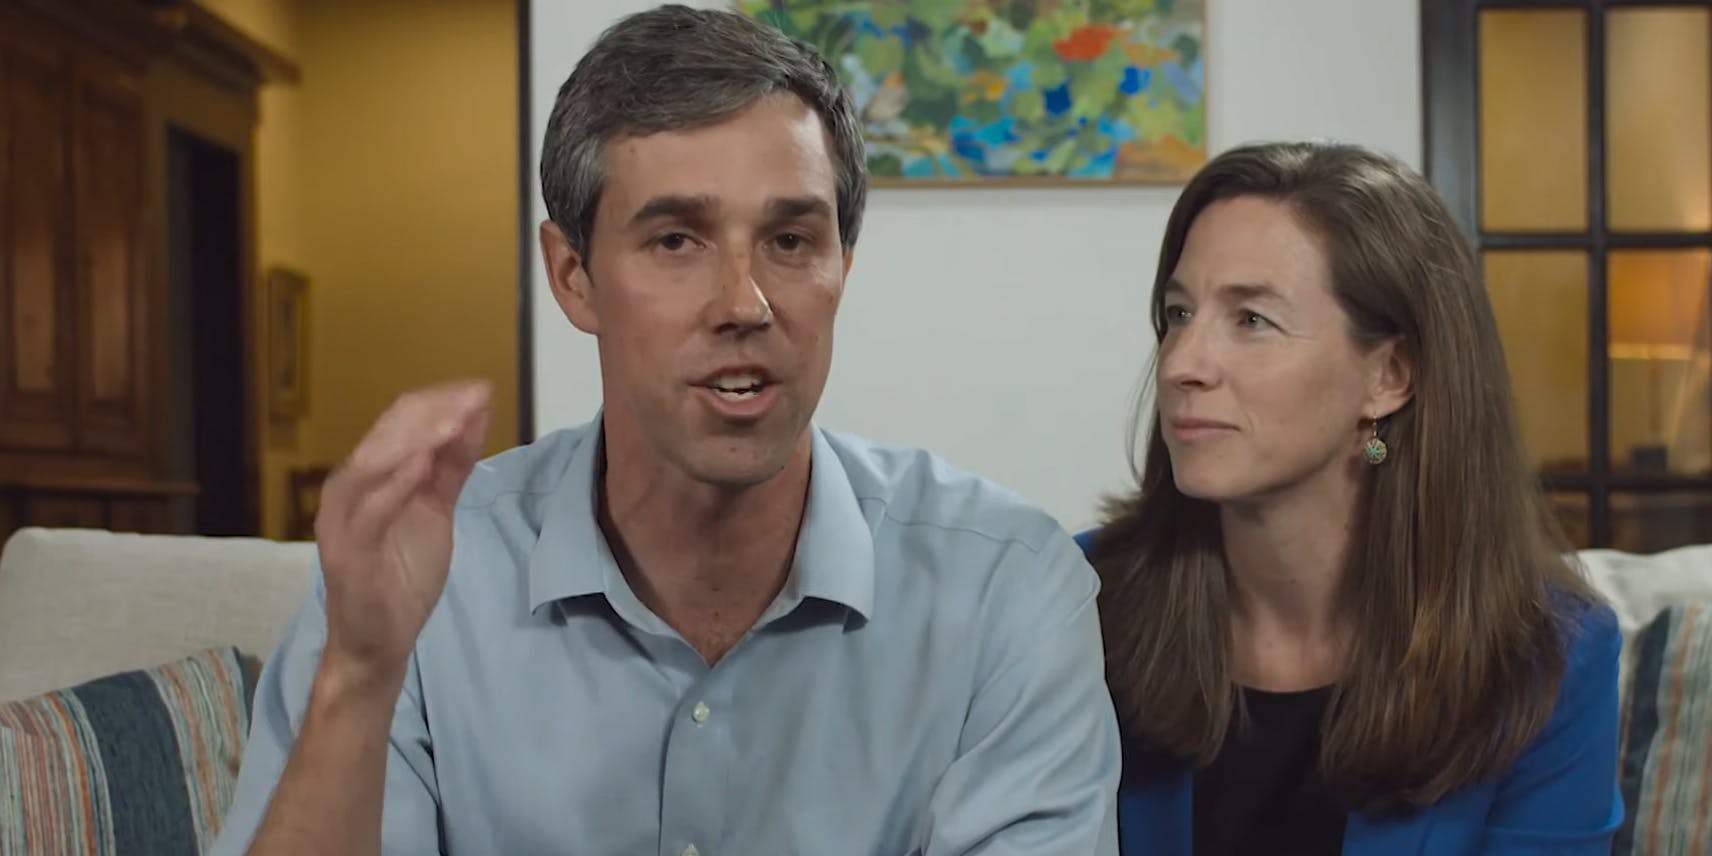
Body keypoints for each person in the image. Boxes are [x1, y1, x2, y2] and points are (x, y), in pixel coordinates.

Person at [210, 6, 1119, 855]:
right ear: (573, 276)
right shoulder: (420, 582)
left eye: (791, 241)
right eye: (676, 240)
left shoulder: (1010, 589)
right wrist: (360, 676)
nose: (744, 303)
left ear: (844, 266)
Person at [1077, 141, 1623, 856]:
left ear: (1389, 376)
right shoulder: (1075, 603)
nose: (1182, 365)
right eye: (1178, 314)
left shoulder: (1546, 656)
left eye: (1251, 321)